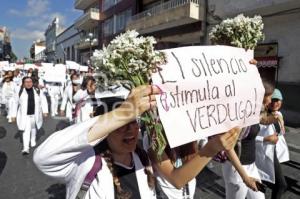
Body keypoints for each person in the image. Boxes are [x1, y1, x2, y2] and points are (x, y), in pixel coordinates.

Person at [34, 85, 240, 199]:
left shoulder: (142, 160)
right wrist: (122, 113)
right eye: (121, 123)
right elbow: (43, 157)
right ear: (106, 127)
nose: (131, 128)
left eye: (134, 121)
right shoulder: (86, 163)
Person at [256, 88, 288, 199]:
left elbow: (280, 134)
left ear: (281, 101)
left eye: (277, 99)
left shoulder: (279, 114)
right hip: (262, 154)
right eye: (272, 100)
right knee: (281, 185)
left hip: (274, 153)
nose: (274, 103)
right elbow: (249, 139)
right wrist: (266, 139)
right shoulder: (260, 117)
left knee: (263, 181)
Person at [12, 77, 48, 154]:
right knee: (25, 130)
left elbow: (43, 100)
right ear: (23, 83)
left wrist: (45, 111)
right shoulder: (20, 91)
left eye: (30, 81)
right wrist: (13, 115)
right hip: (25, 116)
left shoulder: (37, 91)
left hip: (35, 115)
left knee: (33, 128)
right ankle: (25, 148)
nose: (28, 83)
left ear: (32, 82)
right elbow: (15, 103)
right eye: (26, 82)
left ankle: (33, 139)